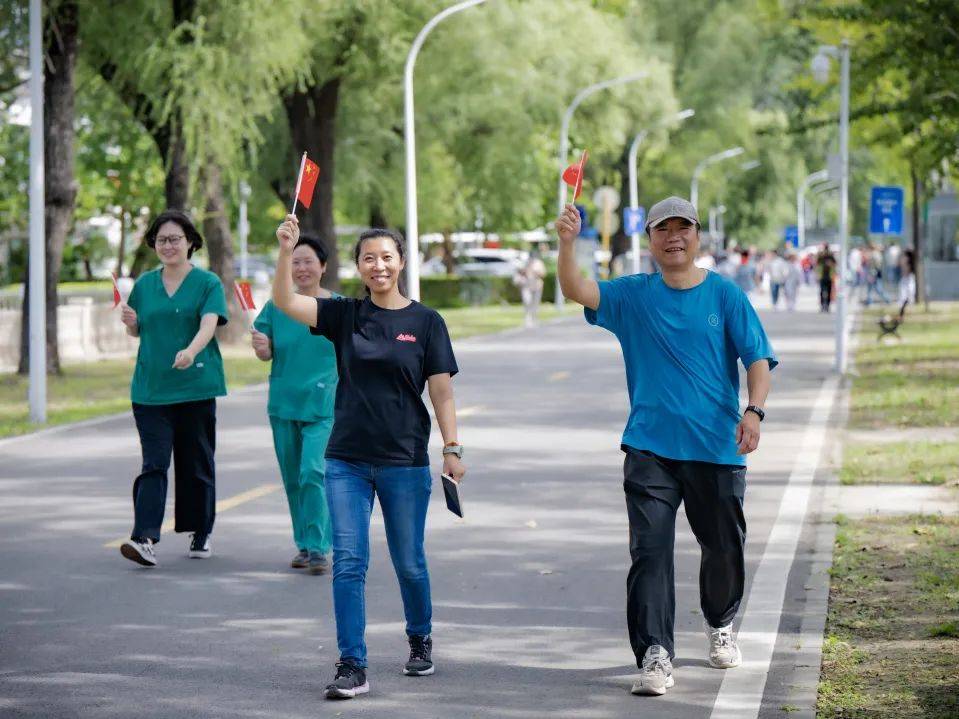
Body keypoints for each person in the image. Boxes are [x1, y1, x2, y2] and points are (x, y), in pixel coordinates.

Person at [556, 196, 776, 697]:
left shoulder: (725, 295)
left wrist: (754, 411)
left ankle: (720, 622)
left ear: (698, 237)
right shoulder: (633, 295)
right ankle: (654, 652)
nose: (674, 237)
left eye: (684, 228)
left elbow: (757, 358)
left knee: (723, 548)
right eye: (663, 229)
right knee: (649, 552)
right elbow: (575, 288)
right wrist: (567, 244)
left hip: (716, 448)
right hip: (650, 448)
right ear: (650, 238)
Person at [270, 215, 466, 700]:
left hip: (404, 460)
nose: (378, 265)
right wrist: (285, 249)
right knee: (349, 562)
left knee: (409, 562)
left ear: (400, 262)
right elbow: (285, 301)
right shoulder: (344, 314)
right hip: (347, 460)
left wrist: (452, 447)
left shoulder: (426, 322)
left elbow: (440, 392)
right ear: (358, 267)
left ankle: (419, 637)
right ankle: (352, 663)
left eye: (386, 257)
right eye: (368, 258)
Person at [118, 210, 229, 567]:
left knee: (196, 463)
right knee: (154, 463)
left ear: (191, 242)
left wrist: (191, 351)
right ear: (154, 244)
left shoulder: (208, 282)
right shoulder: (144, 285)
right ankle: (144, 538)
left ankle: (201, 529)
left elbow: (209, 325)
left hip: (196, 385)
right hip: (150, 390)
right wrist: (131, 324)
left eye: (175, 239)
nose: (168, 245)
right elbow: (138, 331)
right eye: (162, 240)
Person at [252, 235, 338, 576]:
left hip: (324, 403)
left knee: (313, 472)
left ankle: (319, 547)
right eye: (295, 262)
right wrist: (261, 347)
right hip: (284, 402)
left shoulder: (338, 307)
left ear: (323, 266)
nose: (302, 268)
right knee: (292, 478)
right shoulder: (276, 305)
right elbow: (265, 352)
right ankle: (303, 543)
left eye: (308, 261)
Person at [514, 247, 547, 327]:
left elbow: (543, 274)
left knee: (535, 303)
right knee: (527, 302)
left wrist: (536, 272)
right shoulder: (525, 263)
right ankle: (527, 319)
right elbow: (519, 272)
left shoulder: (539, 263)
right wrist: (524, 271)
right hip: (526, 285)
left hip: (537, 286)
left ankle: (535, 318)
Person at [816, 243, 836, 312]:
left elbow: (834, 263)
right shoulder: (821, 256)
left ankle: (827, 306)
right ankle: (823, 305)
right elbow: (817, 263)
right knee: (822, 291)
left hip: (829, 276)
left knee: (828, 291)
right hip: (823, 276)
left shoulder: (831, 256)